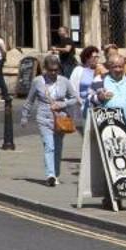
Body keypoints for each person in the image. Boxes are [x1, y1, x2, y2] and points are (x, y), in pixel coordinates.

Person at [24, 54, 75, 187]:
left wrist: (62, 104)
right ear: (45, 69)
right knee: (49, 146)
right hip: (44, 117)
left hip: (60, 118)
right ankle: (50, 175)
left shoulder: (64, 81)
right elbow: (30, 100)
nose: (53, 73)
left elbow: (75, 98)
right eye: (50, 70)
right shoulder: (37, 81)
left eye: (56, 70)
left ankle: (56, 174)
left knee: (57, 148)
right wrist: (25, 116)